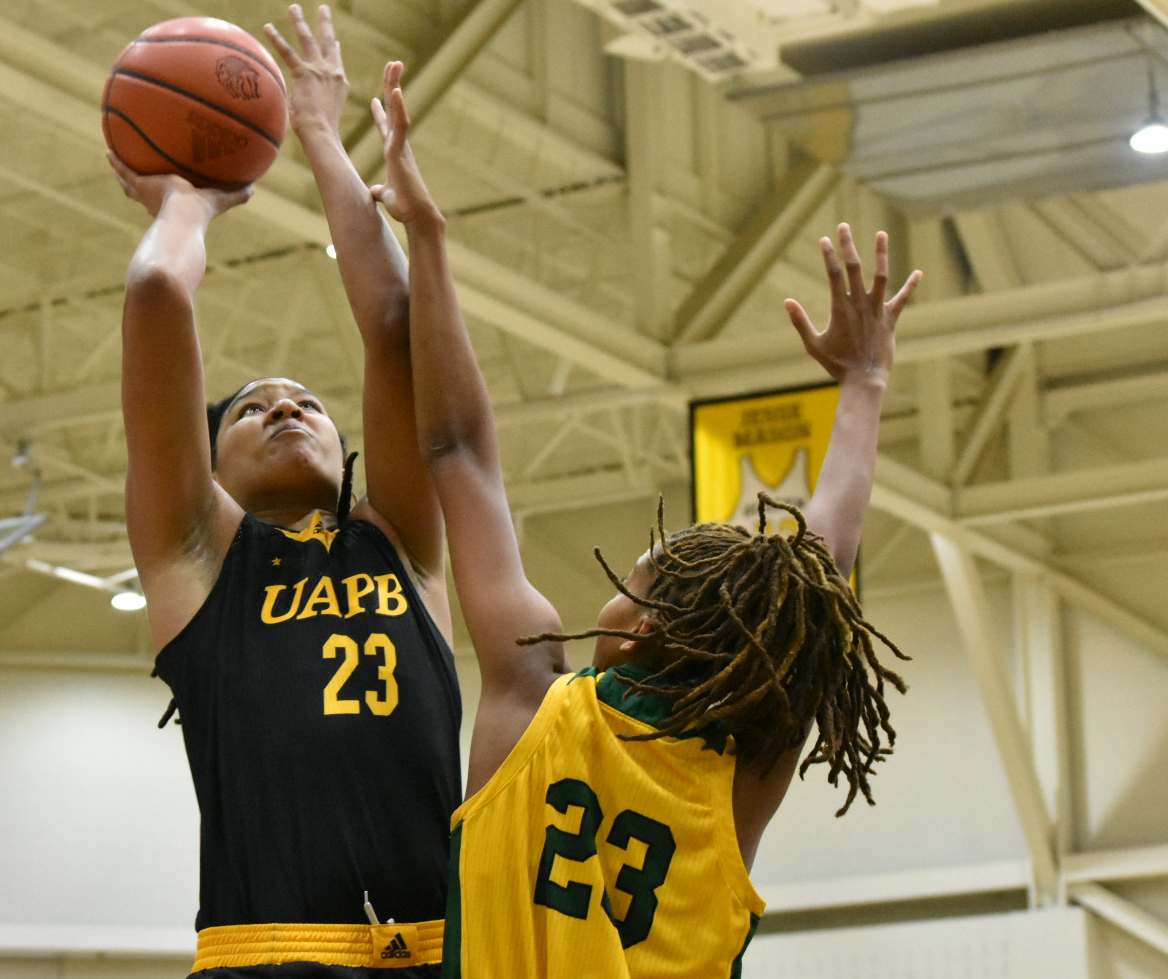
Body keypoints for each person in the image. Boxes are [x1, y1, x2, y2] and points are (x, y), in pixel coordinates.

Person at [365, 67, 921, 977]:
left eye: (628, 577)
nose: (609, 595)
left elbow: (458, 448)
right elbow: (817, 587)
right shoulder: (741, 775)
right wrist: (864, 389)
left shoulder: (533, 699)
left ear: (649, 622)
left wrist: (427, 239)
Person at [110, 8, 461, 975]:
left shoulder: (406, 543)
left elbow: (393, 322)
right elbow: (156, 297)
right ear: (208, 471)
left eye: (306, 400)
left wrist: (315, 135)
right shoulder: (197, 563)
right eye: (250, 409)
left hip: (437, 953)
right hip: (268, 955)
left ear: (349, 456)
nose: (285, 407)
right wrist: (192, 201)